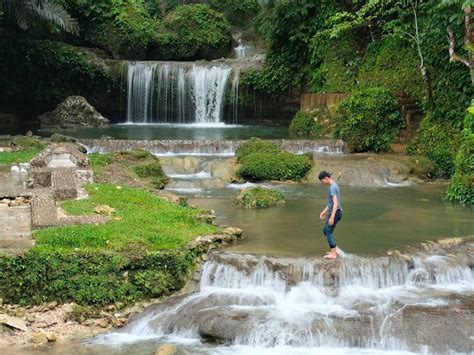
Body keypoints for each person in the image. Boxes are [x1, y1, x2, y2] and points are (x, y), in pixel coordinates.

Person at [318, 171, 342, 259]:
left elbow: (335, 203)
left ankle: (333, 253)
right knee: (325, 231)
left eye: (322, 181)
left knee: (328, 232)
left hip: (336, 212)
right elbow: (331, 203)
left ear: (326, 178)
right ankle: (335, 248)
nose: (322, 183)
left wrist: (332, 217)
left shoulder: (332, 188)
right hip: (335, 212)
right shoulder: (333, 185)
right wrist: (324, 211)